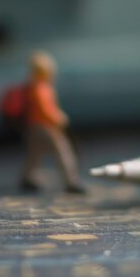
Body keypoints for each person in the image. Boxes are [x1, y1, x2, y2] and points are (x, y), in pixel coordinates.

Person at [20, 52, 87, 194]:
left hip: (33, 126)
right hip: (45, 126)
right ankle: (71, 181)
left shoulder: (34, 86)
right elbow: (45, 110)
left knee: (35, 153)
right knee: (62, 150)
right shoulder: (41, 88)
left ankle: (26, 178)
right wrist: (59, 118)